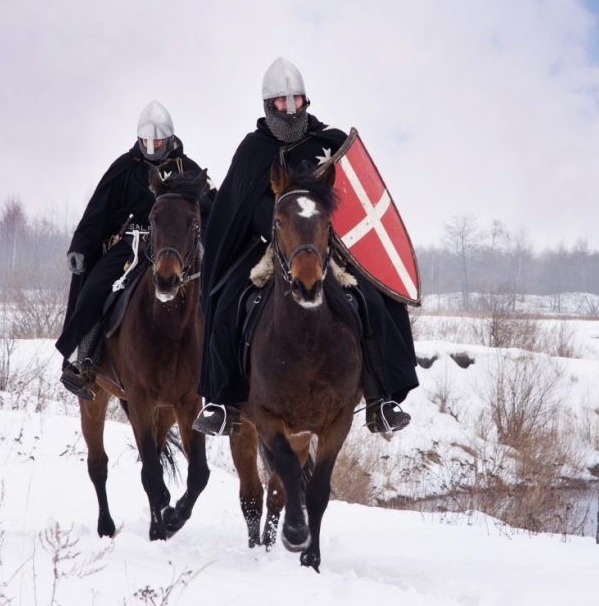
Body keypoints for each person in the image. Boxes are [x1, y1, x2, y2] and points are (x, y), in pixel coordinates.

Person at [193, 57, 418, 436]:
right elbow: (236, 207)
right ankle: (222, 401)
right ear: (269, 106)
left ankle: (382, 399)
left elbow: (353, 199)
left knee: (376, 300)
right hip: (266, 242)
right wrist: (274, 219)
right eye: (283, 101)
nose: (291, 107)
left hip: (323, 243)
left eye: (296, 98)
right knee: (228, 301)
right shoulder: (253, 151)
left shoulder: (327, 142)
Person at [56, 101, 213, 400]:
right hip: (131, 247)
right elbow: (98, 210)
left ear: (169, 139)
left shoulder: (187, 169)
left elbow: (213, 209)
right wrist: (81, 245)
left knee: (210, 295)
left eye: (157, 142)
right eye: (146, 142)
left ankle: (216, 367)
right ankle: (84, 359)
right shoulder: (125, 167)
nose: (151, 147)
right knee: (93, 291)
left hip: (177, 249)